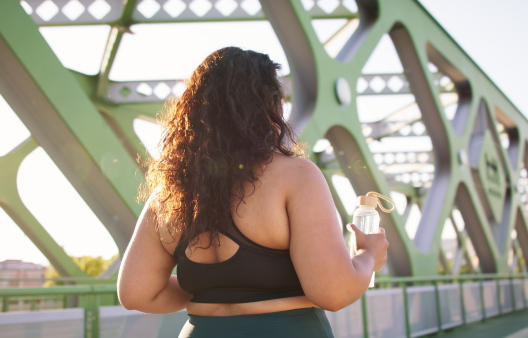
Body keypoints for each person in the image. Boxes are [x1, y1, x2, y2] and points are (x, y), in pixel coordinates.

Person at [117, 47, 390, 338]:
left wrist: (220, 294)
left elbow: (137, 293)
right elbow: (334, 292)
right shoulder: (295, 175)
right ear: (270, 105)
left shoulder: (170, 191)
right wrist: (367, 257)